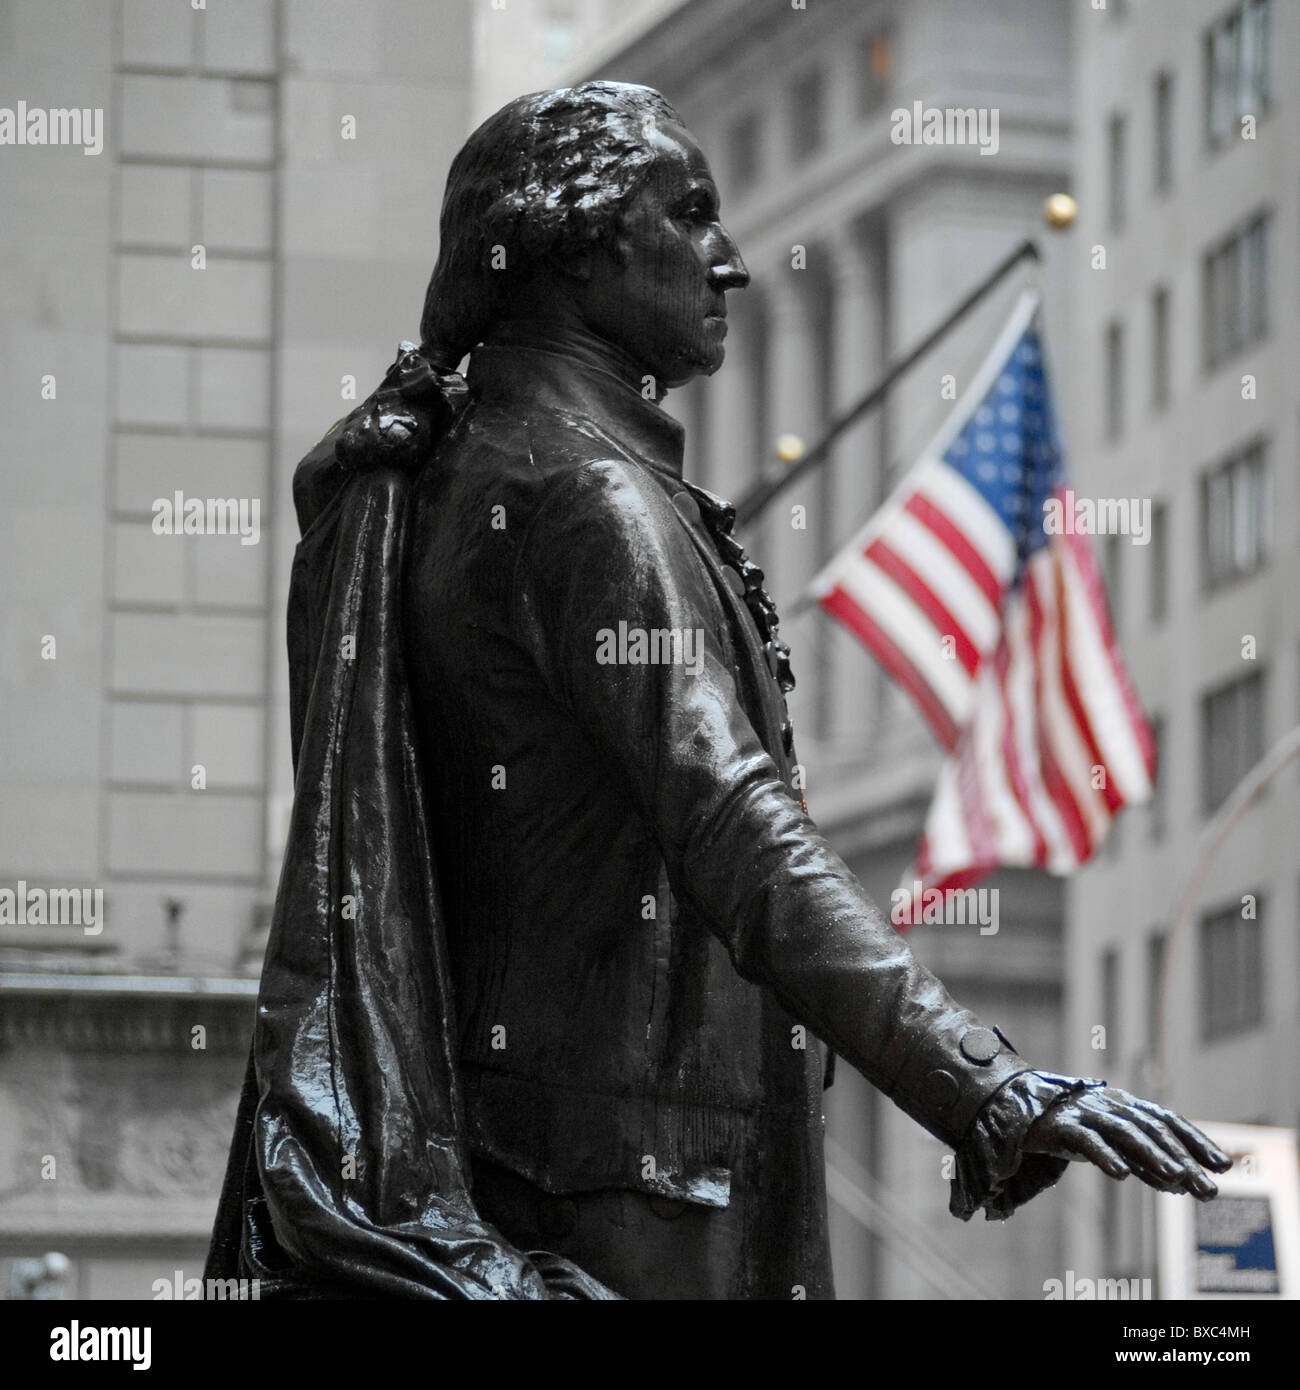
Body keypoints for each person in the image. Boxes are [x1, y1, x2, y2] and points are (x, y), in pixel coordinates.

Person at [207, 81, 1230, 1301]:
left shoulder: (469, 478)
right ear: (578, 248)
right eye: (689, 217)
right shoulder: (583, 498)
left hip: (558, 1174)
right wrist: (982, 1084)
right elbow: (738, 823)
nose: (730, 263)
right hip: (628, 1204)